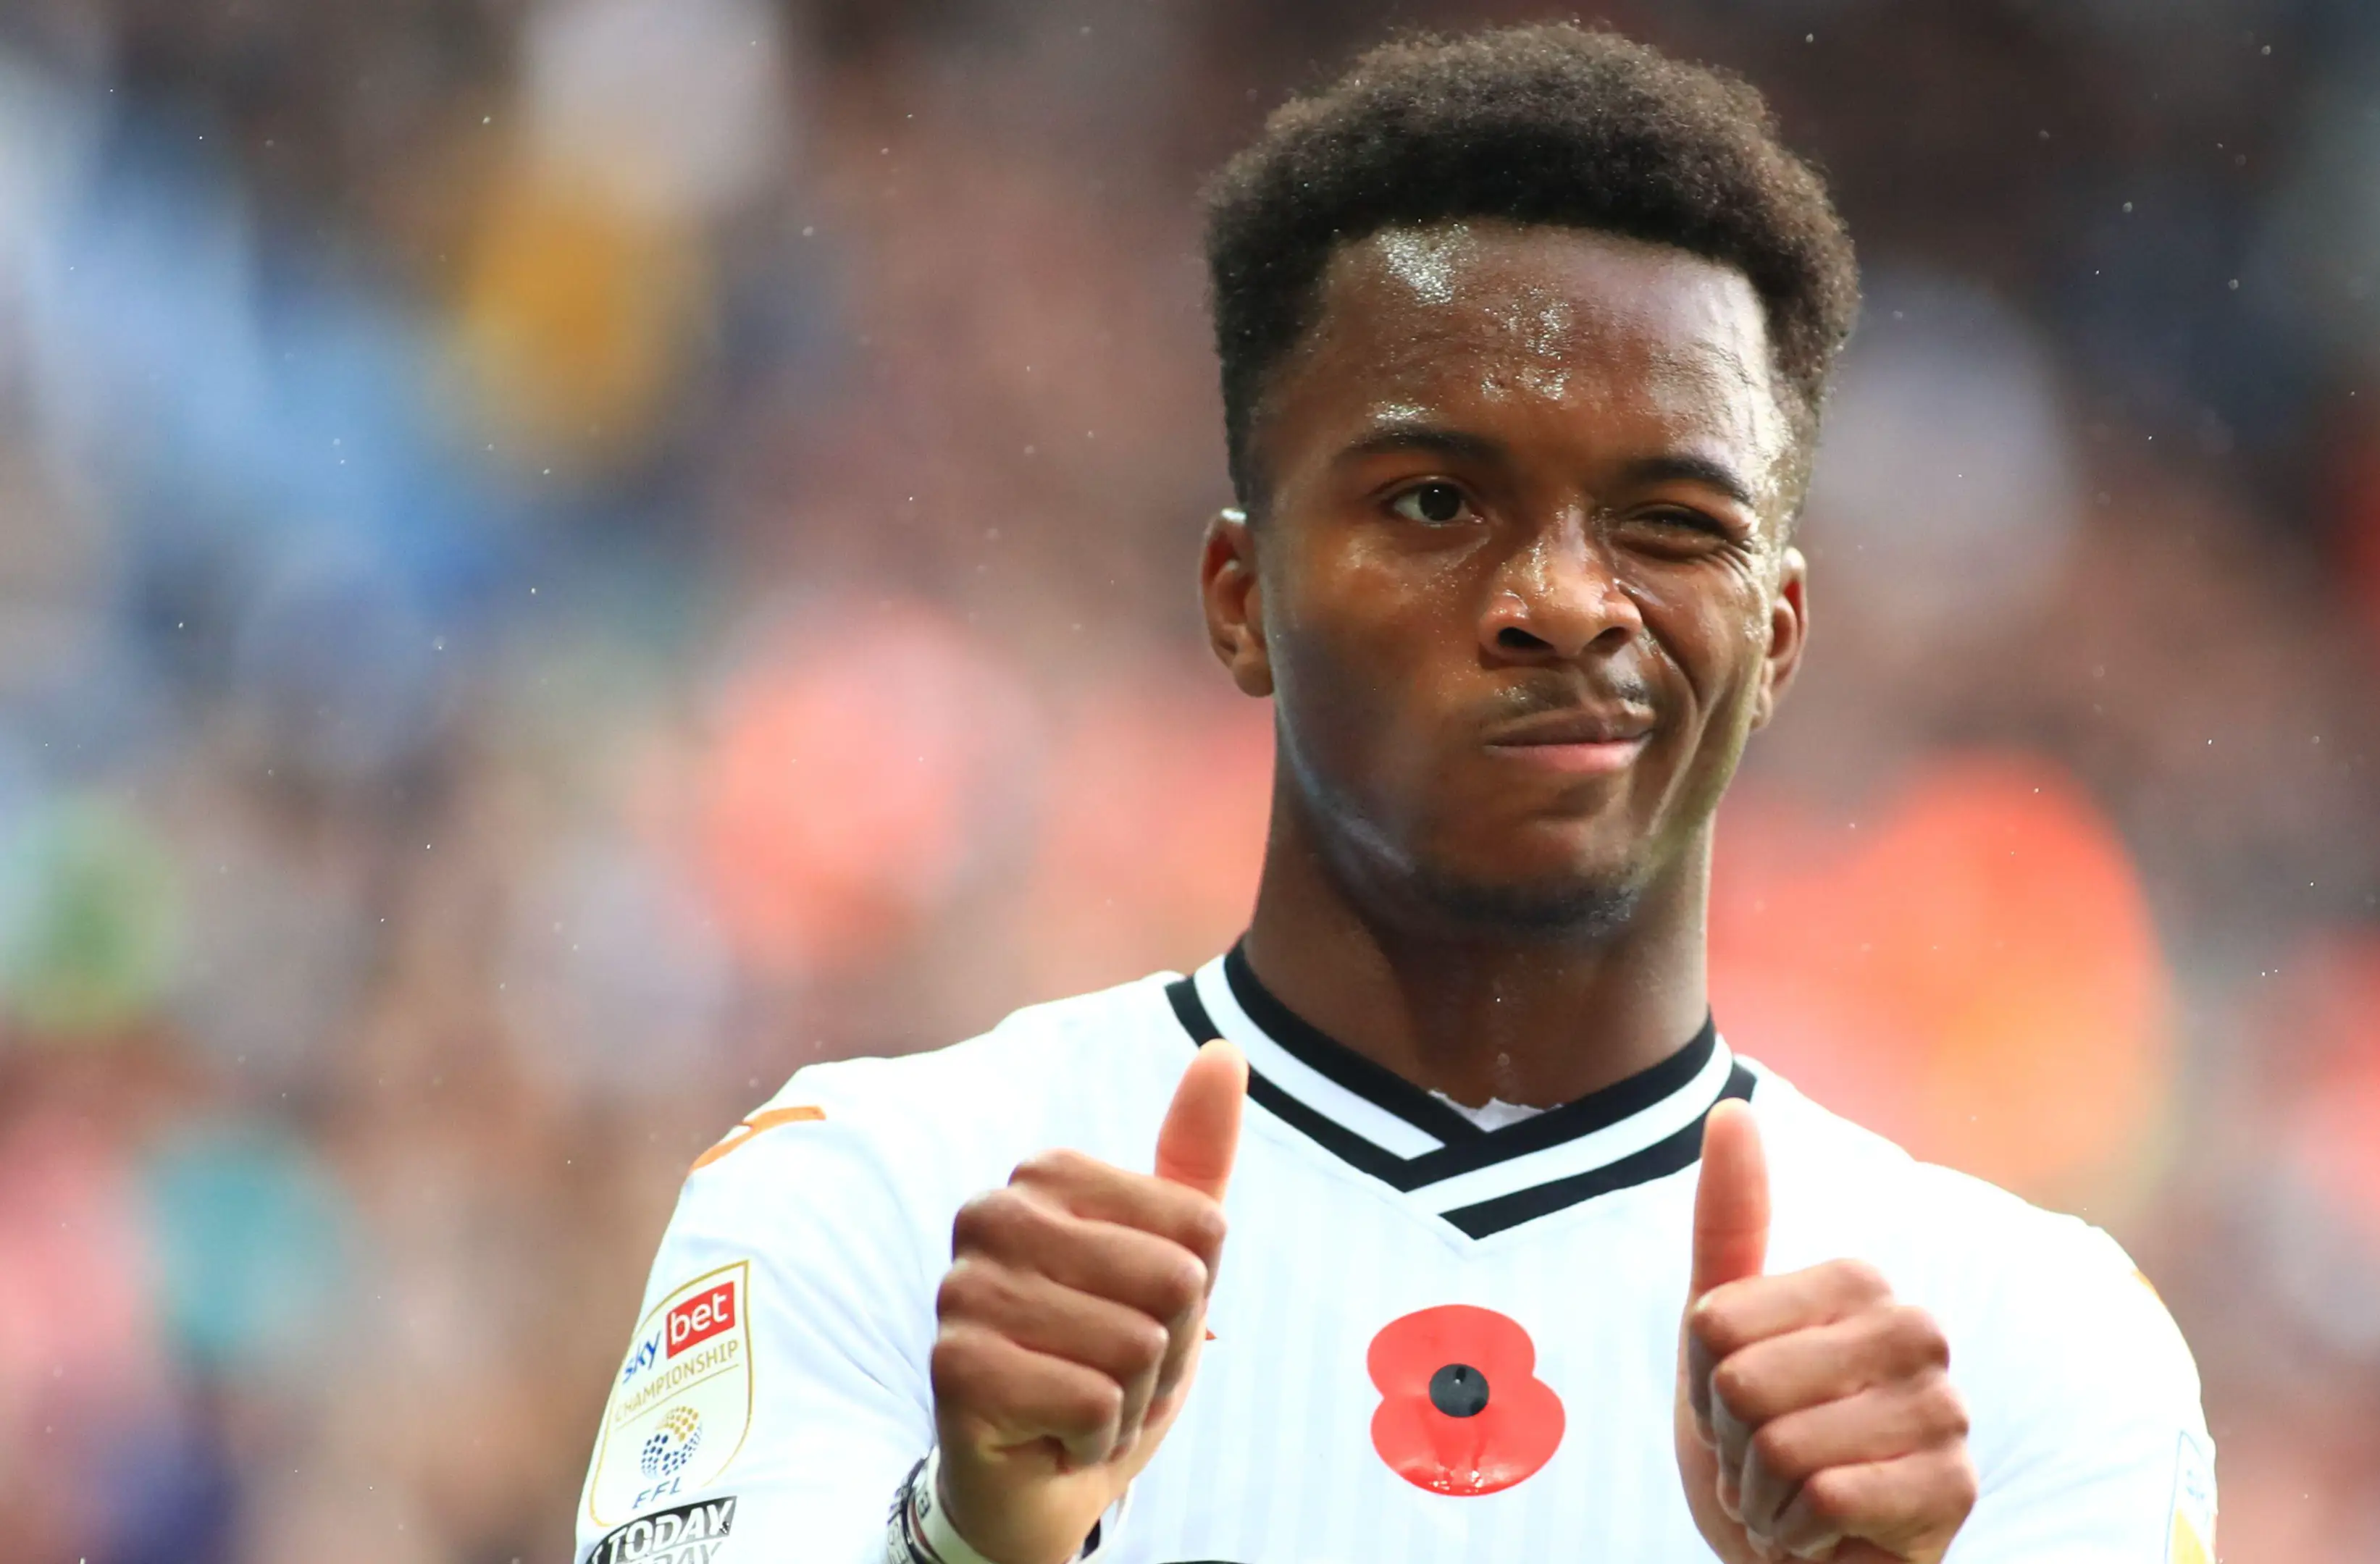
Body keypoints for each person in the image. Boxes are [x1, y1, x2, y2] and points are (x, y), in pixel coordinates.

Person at [574, 24, 2214, 1564]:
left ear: (1777, 636)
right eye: (1437, 500)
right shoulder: (869, 1199)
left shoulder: (2023, 1352)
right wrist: (967, 1534)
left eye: (1671, 523)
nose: (1568, 598)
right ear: (1240, 595)